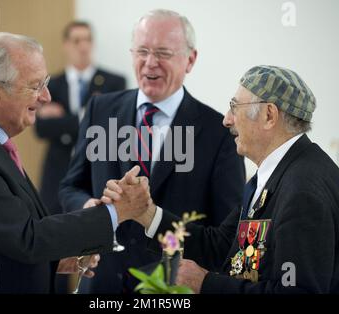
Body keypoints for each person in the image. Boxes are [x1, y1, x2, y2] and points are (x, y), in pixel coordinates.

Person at [0, 32, 149, 294]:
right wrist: (117, 212)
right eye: (35, 86)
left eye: (45, 83)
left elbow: (3, 236)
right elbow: (27, 237)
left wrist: (54, 258)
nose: (46, 96)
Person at [103, 65, 339, 293]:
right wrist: (145, 213)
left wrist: (206, 284)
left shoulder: (303, 189)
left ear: (269, 115)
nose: (226, 120)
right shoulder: (273, 175)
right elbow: (219, 246)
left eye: (235, 107)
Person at [59, 9, 245, 293]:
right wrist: (88, 208)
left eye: (163, 53)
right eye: (142, 51)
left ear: (190, 60)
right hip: (101, 285)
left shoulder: (218, 132)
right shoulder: (100, 110)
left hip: (167, 289)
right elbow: (70, 186)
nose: (150, 63)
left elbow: (225, 237)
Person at [35, 21, 126, 215]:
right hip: (57, 173)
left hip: (97, 172)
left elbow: (115, 128)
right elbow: (41, 128)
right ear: (66, 45)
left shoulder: (114, 83)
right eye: (77, 41)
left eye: (88, 40)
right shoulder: (50, 85)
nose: (83, 46)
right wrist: (90, 114)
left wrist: (66, 120)